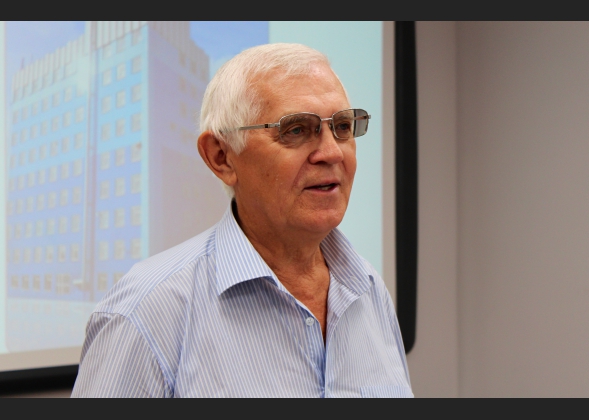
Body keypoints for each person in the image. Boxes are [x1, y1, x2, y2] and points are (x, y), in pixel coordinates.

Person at [71, 43, 412, 398]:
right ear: (221, 157)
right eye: (296, 129)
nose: (331, 152)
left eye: (342, 126)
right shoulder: (145, 311)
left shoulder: (368, 289)